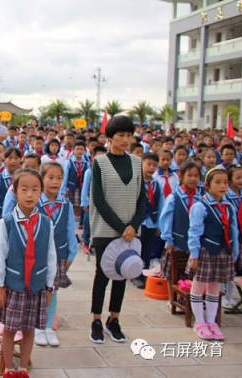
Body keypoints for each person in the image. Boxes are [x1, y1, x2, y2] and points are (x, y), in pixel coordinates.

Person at [0, 168, 56, 377]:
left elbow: (51, 255)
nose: (29, 195)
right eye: (24, 189)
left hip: (36, 286)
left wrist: (49, 286)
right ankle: (9, 367)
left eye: (35, 190)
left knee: (29, 329)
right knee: (10, 329)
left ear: (41, 193)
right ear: (15, 192)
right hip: (14, 285)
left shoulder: (46, 223)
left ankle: (24, 366)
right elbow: (1, 256)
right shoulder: (7, 222)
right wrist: (0, 286)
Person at [89, 115, 145, 344]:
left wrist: (133, 225)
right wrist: (122, 227)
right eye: (120, 135)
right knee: (102, 276)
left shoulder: (136, 162)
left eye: (128, 135)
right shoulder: (99, 162)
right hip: (106, 229)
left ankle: (114, 319)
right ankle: (96, 320)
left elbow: (142, 198)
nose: (125, 140)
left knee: (124, 274)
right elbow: (99, 200)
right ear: (109, 138)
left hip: (130, 230)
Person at [186, 166, 239, 340]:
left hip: (223, 250)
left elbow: (233, 230)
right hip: (206, 251)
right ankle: (199, 322)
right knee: (199, 285)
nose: (222, 186)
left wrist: (235, 249)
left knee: (215, 287)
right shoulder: (201, 206)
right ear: (208, 185)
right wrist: (194, 254)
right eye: (217, 182)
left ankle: (211, 321)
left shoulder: (228, 206)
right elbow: (194, 232)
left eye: (225, 182)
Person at [35, 162, 76, 347]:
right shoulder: (35, 202)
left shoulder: (65, 204)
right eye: (50, 178)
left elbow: (69, 229)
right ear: (42, 180)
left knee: (53, 290)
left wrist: (71, 255)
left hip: (59, 254)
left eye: (59, 178)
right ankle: (37, 326)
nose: (55, 182)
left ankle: (48, 326)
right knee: (37, 289)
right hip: (37, 255)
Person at [133, 152, 164, 289]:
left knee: (147, 250)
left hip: (151, 222)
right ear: (141, 164)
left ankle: (143, 274)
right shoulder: (135, 182)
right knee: (136, 249)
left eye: (154, 166)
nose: (151, 168)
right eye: (148, 164)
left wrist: (159, 224)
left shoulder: (156, 184)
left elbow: (161, 204)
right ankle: (134, 275)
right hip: (138, 223)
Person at [0, 148, 22, 245]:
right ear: (4, 159)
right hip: (1, 216)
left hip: (21, 216)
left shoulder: (23, 178)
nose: (13, 161)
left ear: (20, 160)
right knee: (3, 241)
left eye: (16, 158)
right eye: (10, 158)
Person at [223, 164, 242, 309]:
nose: (241, 180)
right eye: (237, 177)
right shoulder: (226, 196)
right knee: (230, 268)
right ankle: (227, 296)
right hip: (231, 235)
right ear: (230, 180)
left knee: (240, 268)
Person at [80, 146, 107, 254]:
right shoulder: (89, 172)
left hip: (103, 203)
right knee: (88, 223)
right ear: (93, 157)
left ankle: (96, 244)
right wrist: (85, 203)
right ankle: (86, 243)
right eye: (98, 156)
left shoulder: (107, 172)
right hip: (90, 203)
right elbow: (85, 188)